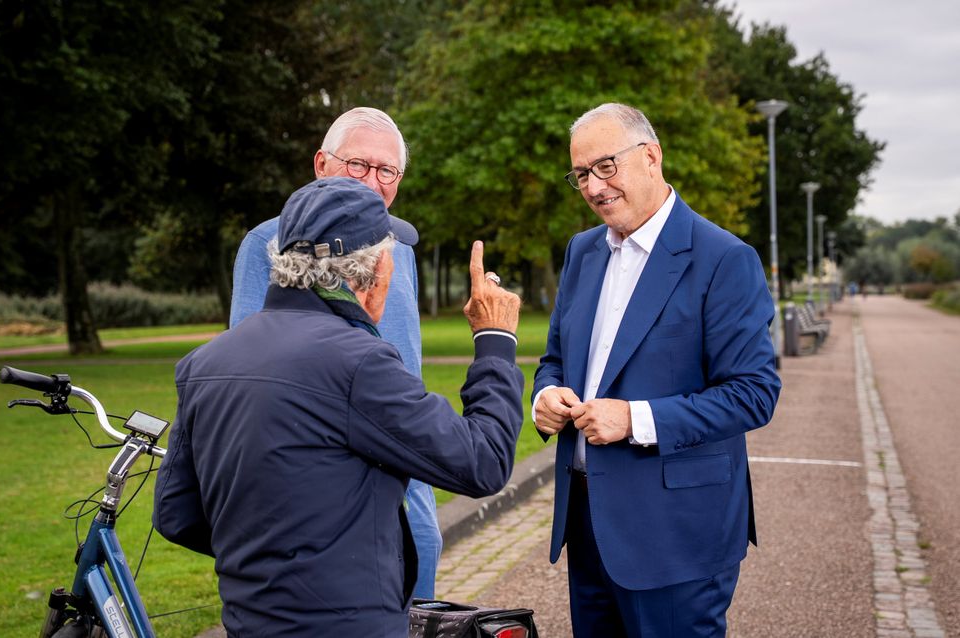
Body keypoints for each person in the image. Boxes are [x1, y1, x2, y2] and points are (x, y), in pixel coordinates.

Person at [154, 177, 524, 637]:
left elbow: (176, 514)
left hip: (249, 621)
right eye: (390, 254)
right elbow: (482, 462)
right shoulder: (357, 361)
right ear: (369, 272)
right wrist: (495, 341)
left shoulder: (205, 362)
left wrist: (276, 564)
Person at [532, 103, 782, 637]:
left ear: (650, 156)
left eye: (605, 166)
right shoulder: (582, 252)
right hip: (589, 524)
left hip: (677, 536)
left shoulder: (724, 259)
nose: (594, 187)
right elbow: (554, 357)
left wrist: (634, 419)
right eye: (581, 175)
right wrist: (547, 394)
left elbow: (755, 393)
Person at [228, 107, 444, 599]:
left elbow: (404, 356)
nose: (373, 181)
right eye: (358, 165)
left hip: (402, 448)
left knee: (422, 561)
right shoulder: (267, 243)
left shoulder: (402, 247)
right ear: (321, 165)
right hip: (322, 461)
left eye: (387, 170)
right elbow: (248, 364)